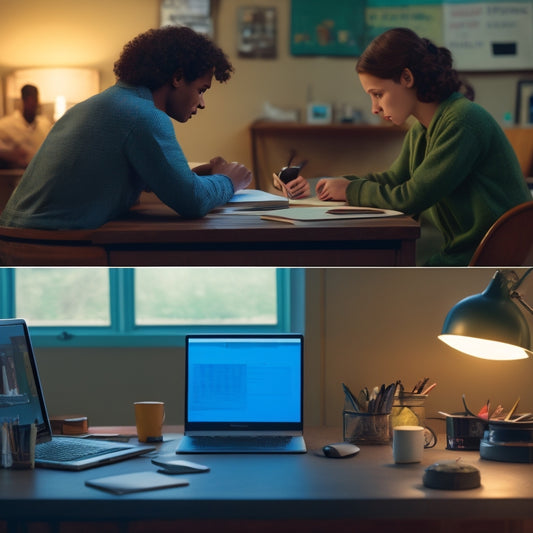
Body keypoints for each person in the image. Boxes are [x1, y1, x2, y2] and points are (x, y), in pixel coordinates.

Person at [315, 28, 531, 266]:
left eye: (378, 94)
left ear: (407, 78)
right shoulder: (423, 128)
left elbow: (411, 197)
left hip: (487, 255)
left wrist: (349, 190)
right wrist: (328, 185)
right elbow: (394, 178)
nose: (374, 108)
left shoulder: (461, 121)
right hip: (463, 250)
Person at [0, 26, 252, 230]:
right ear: (177, 78)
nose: (202, 103)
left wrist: (193, 176)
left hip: (18, 235)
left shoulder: (104, 103)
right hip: (48, 246)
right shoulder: (144, 116)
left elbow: (119, 174)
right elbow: (193, 202)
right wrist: (230, 179)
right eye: (201, 90)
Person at [0, 84, 52, 168]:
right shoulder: (6, 124)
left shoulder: (45, 124)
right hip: (18, 175)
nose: (32, 104)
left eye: (34, 99)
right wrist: (10, 154)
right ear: (22, 101)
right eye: (28, 100)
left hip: (42, 172)